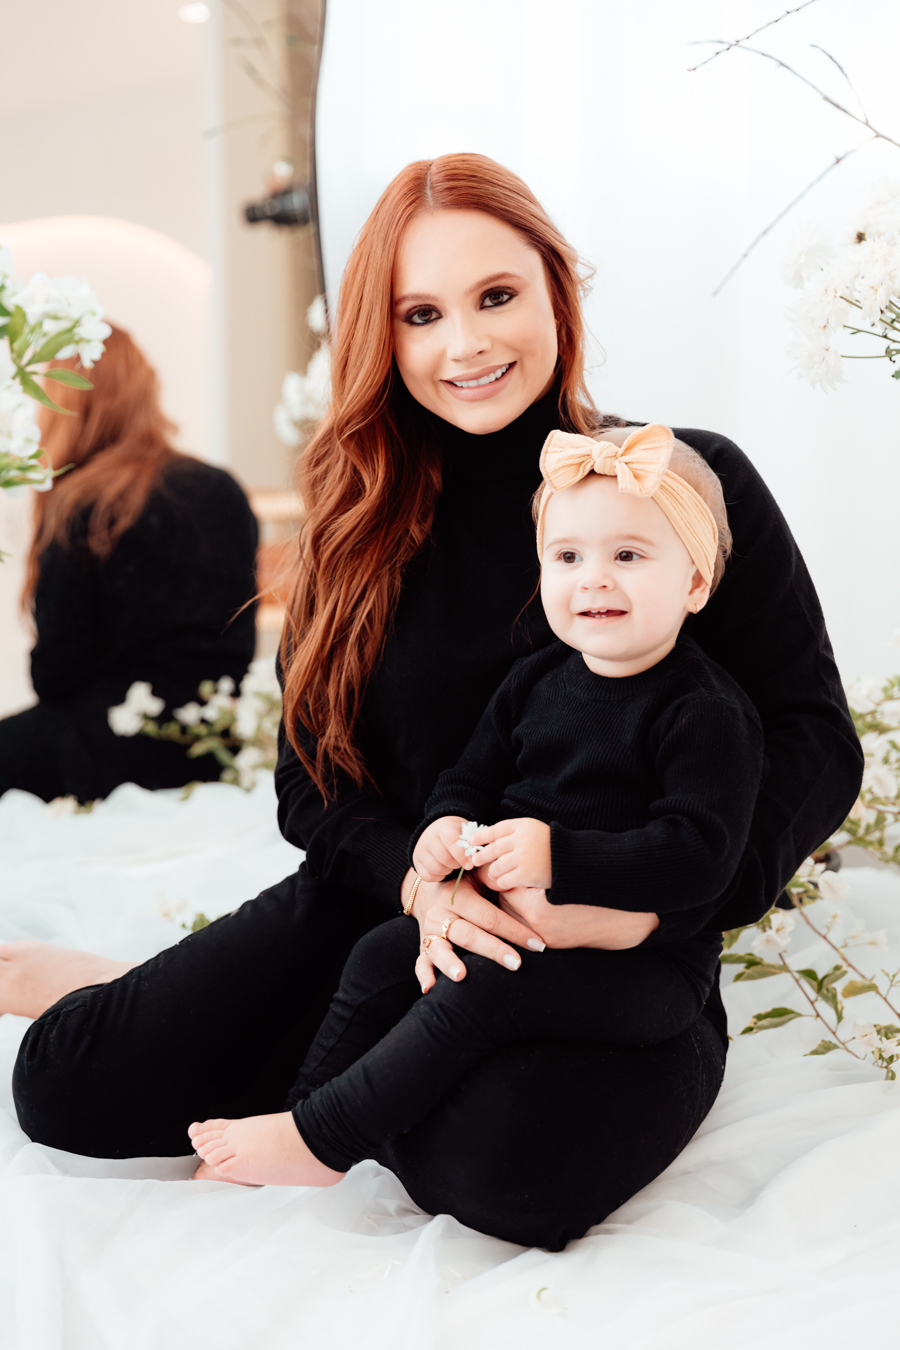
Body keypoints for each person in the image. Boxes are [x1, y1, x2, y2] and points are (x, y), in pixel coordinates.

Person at [6, 155, 861, 1252]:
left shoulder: (675, 481)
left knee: (503, 1171)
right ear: (386, 333)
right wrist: (422, 885)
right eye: (422, 314)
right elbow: (310, 790)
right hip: (374, 917)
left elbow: (812, 738)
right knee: (65, 1084)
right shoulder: (357, 520)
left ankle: (355, 1079)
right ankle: (210, 1010)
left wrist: (660, 906)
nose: (466, 344)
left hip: (612, 953)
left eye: (496, 295)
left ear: (556, 289)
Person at [187, 422, 767, 1187]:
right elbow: (471, 776)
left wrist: (558, 855)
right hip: (514, 928)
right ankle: (305, 1117)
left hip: (645, 968)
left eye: (628, 556)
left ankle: (326, 1137)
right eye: (568, 557)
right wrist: (444, 829)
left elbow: (702, 855)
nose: (594, 579)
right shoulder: (537, 680)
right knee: (381, 956)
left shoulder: (704, 712)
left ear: (694, 583)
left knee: (484, 989)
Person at [0, 326, 258, 802]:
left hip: (113, 745)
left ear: (64, 403)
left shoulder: (84, 504)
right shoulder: (222, 487)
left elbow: (57, 674)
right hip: (216, 743)